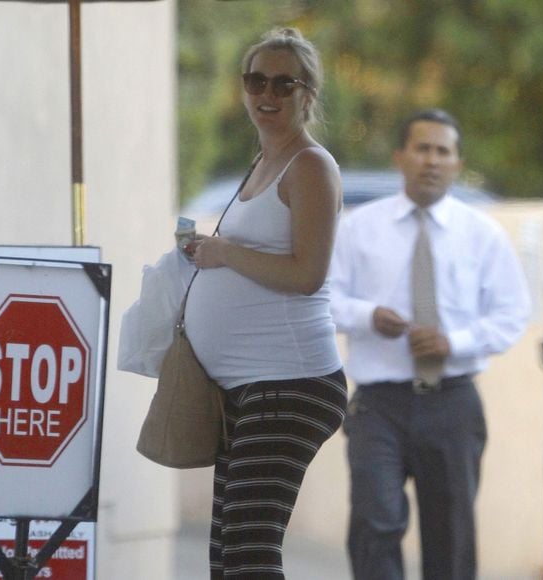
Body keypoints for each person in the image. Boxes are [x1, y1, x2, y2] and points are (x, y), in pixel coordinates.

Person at [330, 109, 531, 580]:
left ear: (458, 163)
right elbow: (323, 298)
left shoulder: (482, 235)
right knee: (374, 523)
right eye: (422, 148)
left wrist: (454, 342)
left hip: (453, 404)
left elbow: (511, 313)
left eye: (443, 151)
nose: (432, 160)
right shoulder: (360, 228)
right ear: (401, 157)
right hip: (378, 406)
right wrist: (367, 315)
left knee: (452, 535)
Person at [182, 28, 347, 579]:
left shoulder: (310, 166)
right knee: (227, 553)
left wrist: (225, 252)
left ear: (309, 94)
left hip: (290, 383)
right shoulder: (262, 161)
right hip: (249, 387)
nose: (266, 93)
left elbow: (307, 274)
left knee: (250, 551)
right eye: (256, 79)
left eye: (284, 82)